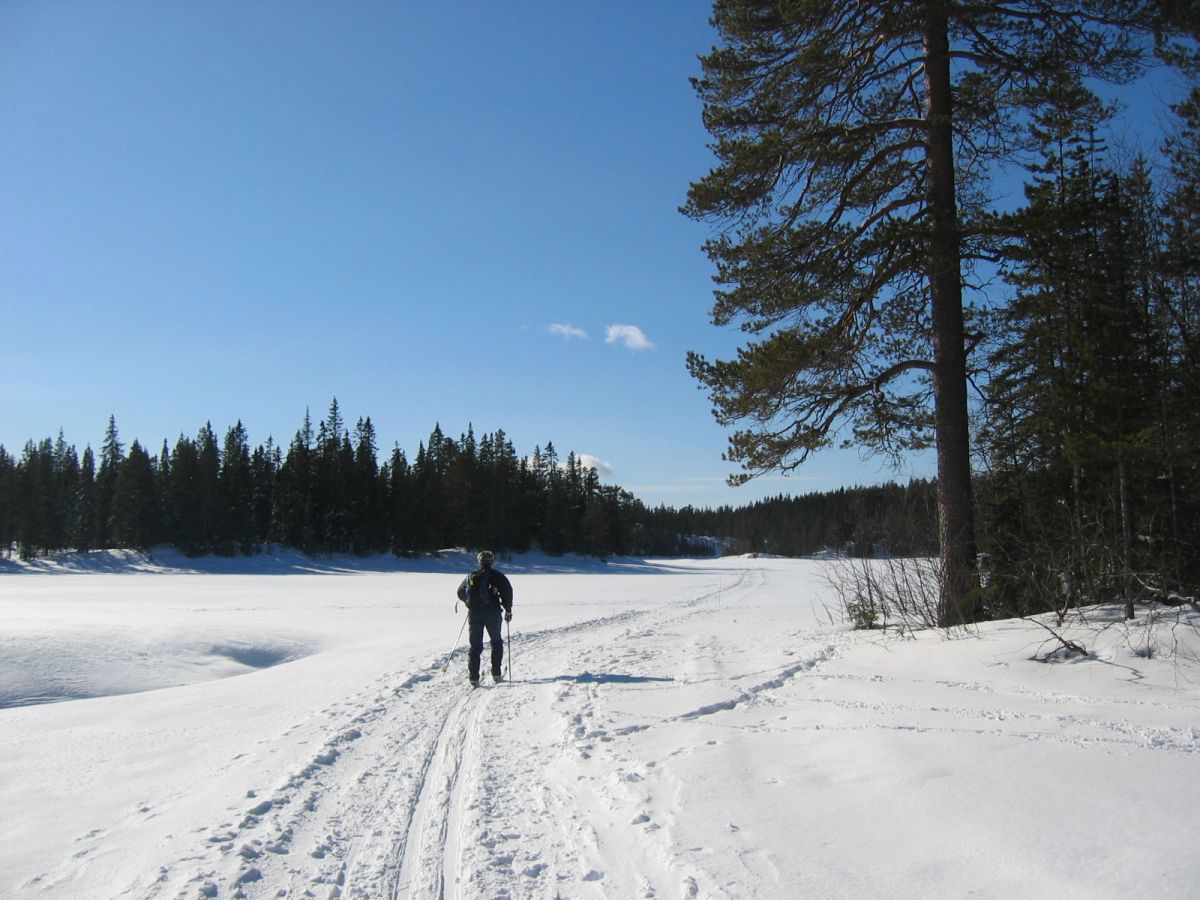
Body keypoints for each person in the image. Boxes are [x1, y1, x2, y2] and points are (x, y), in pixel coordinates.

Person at [456, 550, 513, 685]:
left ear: (479, 562)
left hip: (474, 614)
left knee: (475, 646)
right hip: (492, 613)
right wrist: (508, 610)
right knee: (496, 641)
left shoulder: (471, 576)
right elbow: (507, 592)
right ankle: (496, 674)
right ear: (492, 562)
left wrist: (469, 602)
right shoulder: (497, 576)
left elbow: (460, 592)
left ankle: (474, 677)